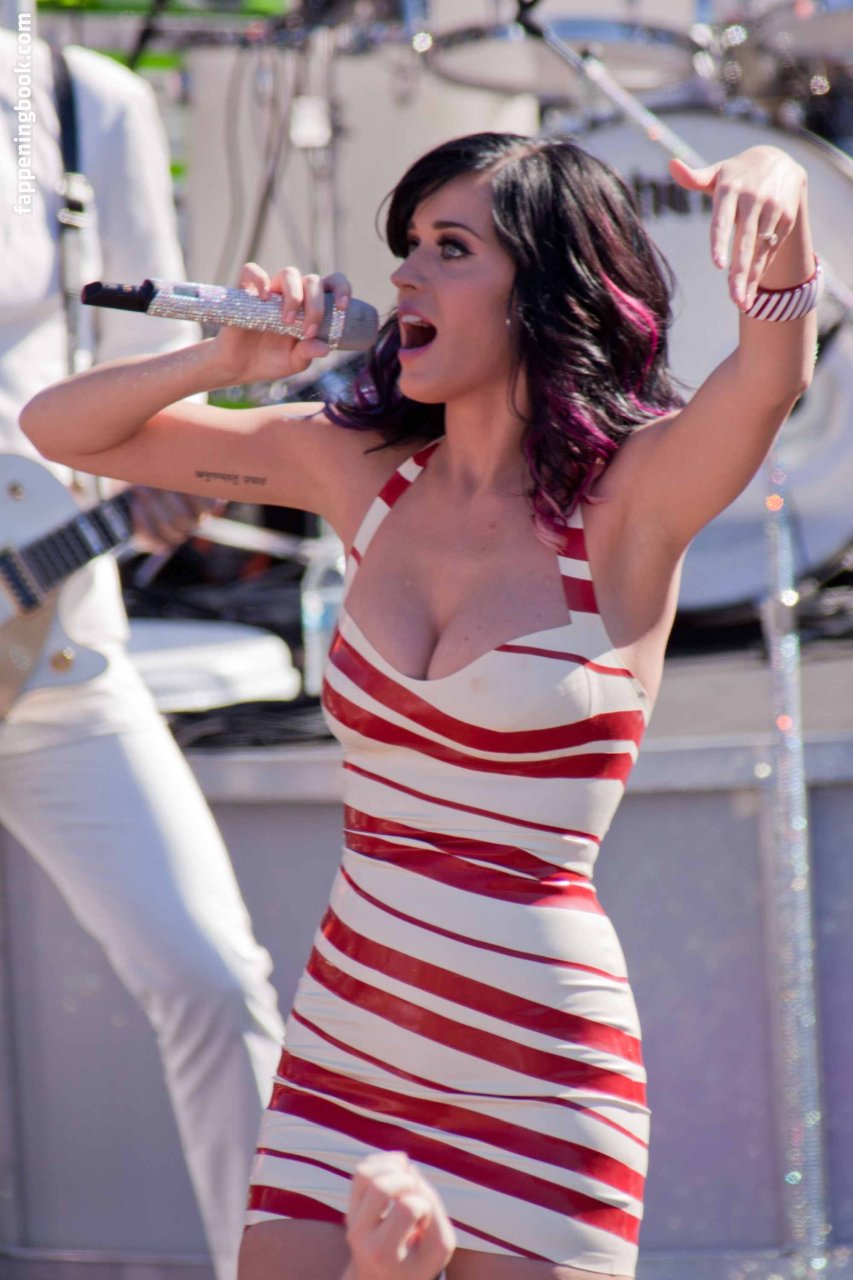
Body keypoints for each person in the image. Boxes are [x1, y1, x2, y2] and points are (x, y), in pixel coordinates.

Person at [21, 128, 817, 1279]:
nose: (404, 274)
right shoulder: (358, 469)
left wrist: (780, 189)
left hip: (539, 1067)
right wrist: (223, 358)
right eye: (407, 244)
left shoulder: (631, 499)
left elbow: (770, 375)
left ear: (545, 286)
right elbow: (58, 429)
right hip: (345, 1047)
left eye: (450, 247)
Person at [1, 23, 284, 1279]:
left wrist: (177, 465)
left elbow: (144, 384)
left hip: (57, 640)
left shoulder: (80, 100)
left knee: (213, 978)